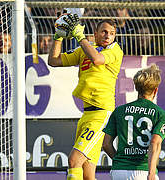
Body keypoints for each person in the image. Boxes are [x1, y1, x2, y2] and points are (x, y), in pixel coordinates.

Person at [48, 14, 123, 180]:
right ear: (95, 34)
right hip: (87, 114)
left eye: (111, 33)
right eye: (104, 32)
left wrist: (80, 37)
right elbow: (53, 60)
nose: (108, 35)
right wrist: (58, 37)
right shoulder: (84, 50)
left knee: (74, 160)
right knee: (88, 174)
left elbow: (97, 59)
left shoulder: (115, 50)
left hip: (101, 113)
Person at [102, 64, 165, 180]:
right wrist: (151, 173)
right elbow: (155, 143)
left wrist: (119, 162)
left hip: (119, 171)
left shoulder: (119, 111)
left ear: (137, 88)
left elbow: (106, 144)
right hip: (143, 171)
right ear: (155, 90)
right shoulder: (162, 115)